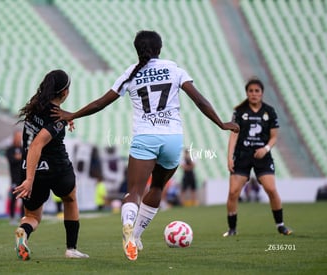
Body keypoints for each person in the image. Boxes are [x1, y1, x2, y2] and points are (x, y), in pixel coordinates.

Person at [52, 30, 239, 261]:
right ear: (159, 49)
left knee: (134, 192)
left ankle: (129, 227)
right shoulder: (173, 68)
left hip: (145, 138)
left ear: (137, 49)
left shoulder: (130, 73)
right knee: (158, 187)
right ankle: (137, 236)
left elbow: (101, 103)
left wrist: (73, 114)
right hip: (172, 138)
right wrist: (221, 123)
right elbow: (199, 100)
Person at [13, 69, 89, 260]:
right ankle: (71, 249)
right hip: (56, 168)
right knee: (70, 199)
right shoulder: (57, 119)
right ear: (64, 93)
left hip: (28, 167)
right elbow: (38, 144)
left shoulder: (34, 106)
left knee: (32, 216)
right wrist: (29, 180)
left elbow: (38, 132)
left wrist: (29, 177)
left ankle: (23, 232)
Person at [224, 77, 292, 237]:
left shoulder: (270, 111)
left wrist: (266, 148)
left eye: (257, 91)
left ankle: (280, 225)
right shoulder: (239, 112)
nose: (254, 94)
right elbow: (233, 136)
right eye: (251, 91)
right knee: (233, 192)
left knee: (271, 189)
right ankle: (232, 229)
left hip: (263, 156)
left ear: (262, 93)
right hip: (242, 155)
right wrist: (229, 157)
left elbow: (274, 136)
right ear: (247, 93)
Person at [6, 130, 24, 225]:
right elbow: (11, 160)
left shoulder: (23, 148)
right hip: (14, 177)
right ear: (14, 137)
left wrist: (19, 157)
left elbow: (25, 159)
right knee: (14, 197)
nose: (18, 138)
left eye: (20, 136)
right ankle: (12, 217)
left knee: (24, 198)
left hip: (23, 177)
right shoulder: (10, 150)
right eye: (17, 136)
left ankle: (22, 216)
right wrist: (18, 158)